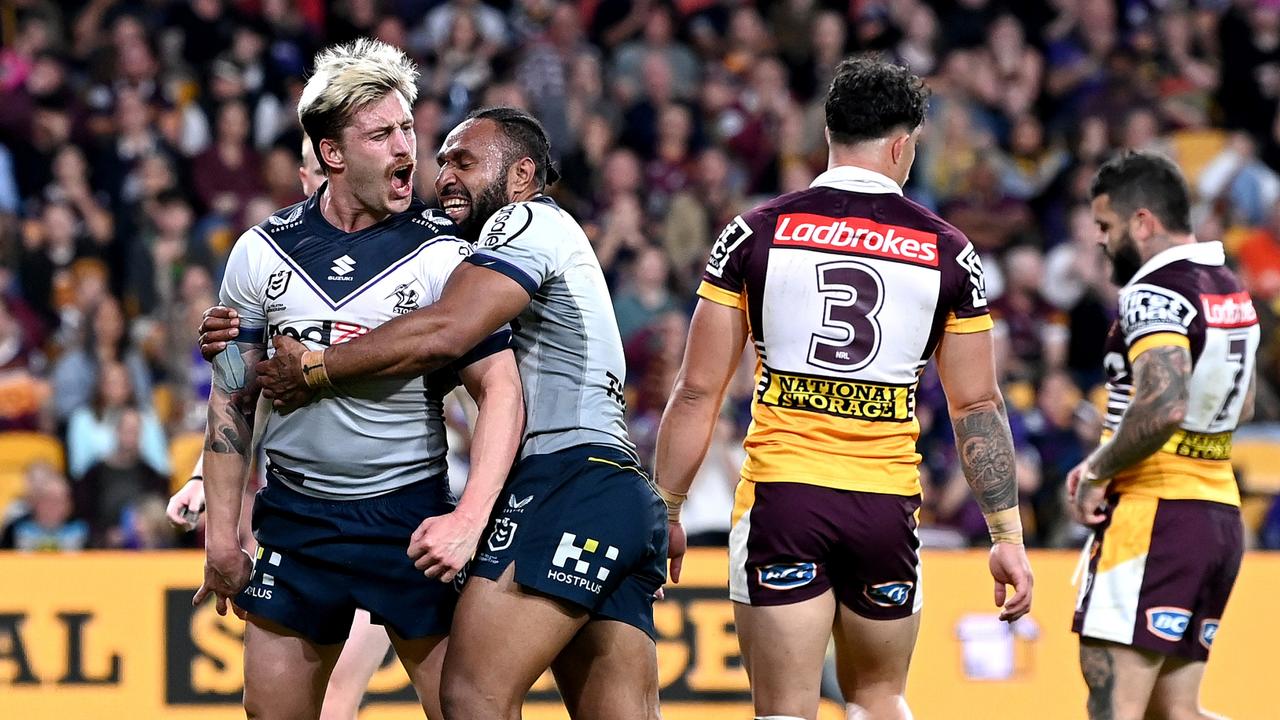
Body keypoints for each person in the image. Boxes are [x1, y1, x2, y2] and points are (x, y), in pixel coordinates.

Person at [200, 106, 667, 719]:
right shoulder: (270, 251)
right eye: (441, 159)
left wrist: (314, 366)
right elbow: (240, 383)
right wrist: (238, 343)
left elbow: (445, 335)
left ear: (522, 176)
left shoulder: (516, 228)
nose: (440, 173)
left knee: (471, 698)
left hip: (539, 484)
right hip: (604, 484)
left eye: (463, 161)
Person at [651, 57, 1033, 720]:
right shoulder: (949, 250)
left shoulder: (754, 232)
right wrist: (1007, 534)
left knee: (784, 709)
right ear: (900, 145)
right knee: (880, 697)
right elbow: (977, 405)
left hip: (784, 499)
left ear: (828, 135)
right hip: (884, 507)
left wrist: (668, 510)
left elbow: (695, 391)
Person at [191, 38, 524, 720]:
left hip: (406, 513)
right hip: (296, 518)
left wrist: (469, 517)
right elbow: (231, 395)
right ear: (333, 155)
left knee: (472, 713)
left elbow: (500, 390)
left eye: (408, 127)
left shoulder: (444, 256)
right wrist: (222, 534)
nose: (408, 148)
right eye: (382, 134)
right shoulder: (261, 252)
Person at [167, 135, 396, 720]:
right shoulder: (275, 266)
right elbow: (245, 395)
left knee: (345, 687)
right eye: (321, 168)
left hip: (395, 502)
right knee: (298, 699)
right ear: (305, 173)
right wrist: (201, 474)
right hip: (305, 515)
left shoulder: (408, 250)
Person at [1067, 151, 1259, 720]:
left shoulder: (1154, 293)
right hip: (1217, 516)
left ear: (1143, 222)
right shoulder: (1229, 290)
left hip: (1153, 518)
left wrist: (1097, 470)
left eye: (1106, 226)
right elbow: (1241, 404)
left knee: (1114, 710)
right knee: (1178, 714)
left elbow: (1164, 403)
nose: (1100, 241)